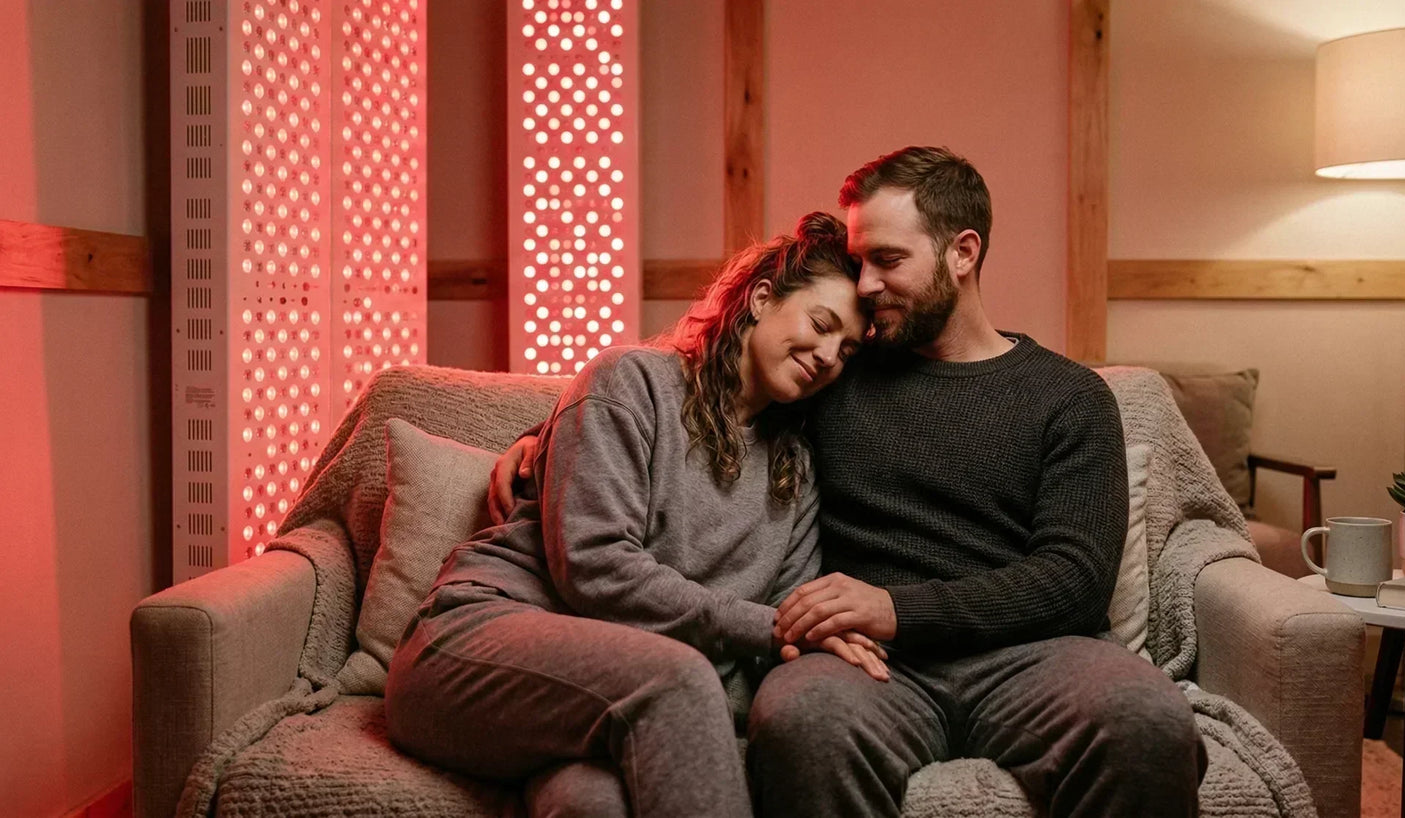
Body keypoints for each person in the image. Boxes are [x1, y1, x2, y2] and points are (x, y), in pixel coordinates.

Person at [494, 147, 1208, 817]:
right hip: (864, 664)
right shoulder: (833, 374)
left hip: (1038, 658)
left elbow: (1075, 578)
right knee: (802, 720)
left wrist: (896, 608)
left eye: (887, 261)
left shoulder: (1069, 397)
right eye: (861, 263)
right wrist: (544, 439)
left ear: (963, 253)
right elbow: (696, 388)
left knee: (1147, 720)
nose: (865, 286)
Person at [384, 212, 879, 818]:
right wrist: (770, 630)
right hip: (474, 642)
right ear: (760, 298)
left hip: (603, 696)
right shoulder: (632, 382)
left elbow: (786, 620)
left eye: (848, 349)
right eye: (821, 323)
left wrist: (802, 634)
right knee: (675, 680)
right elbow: (596, 566)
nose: (828, 354)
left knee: (591, 805)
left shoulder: (794, 470)